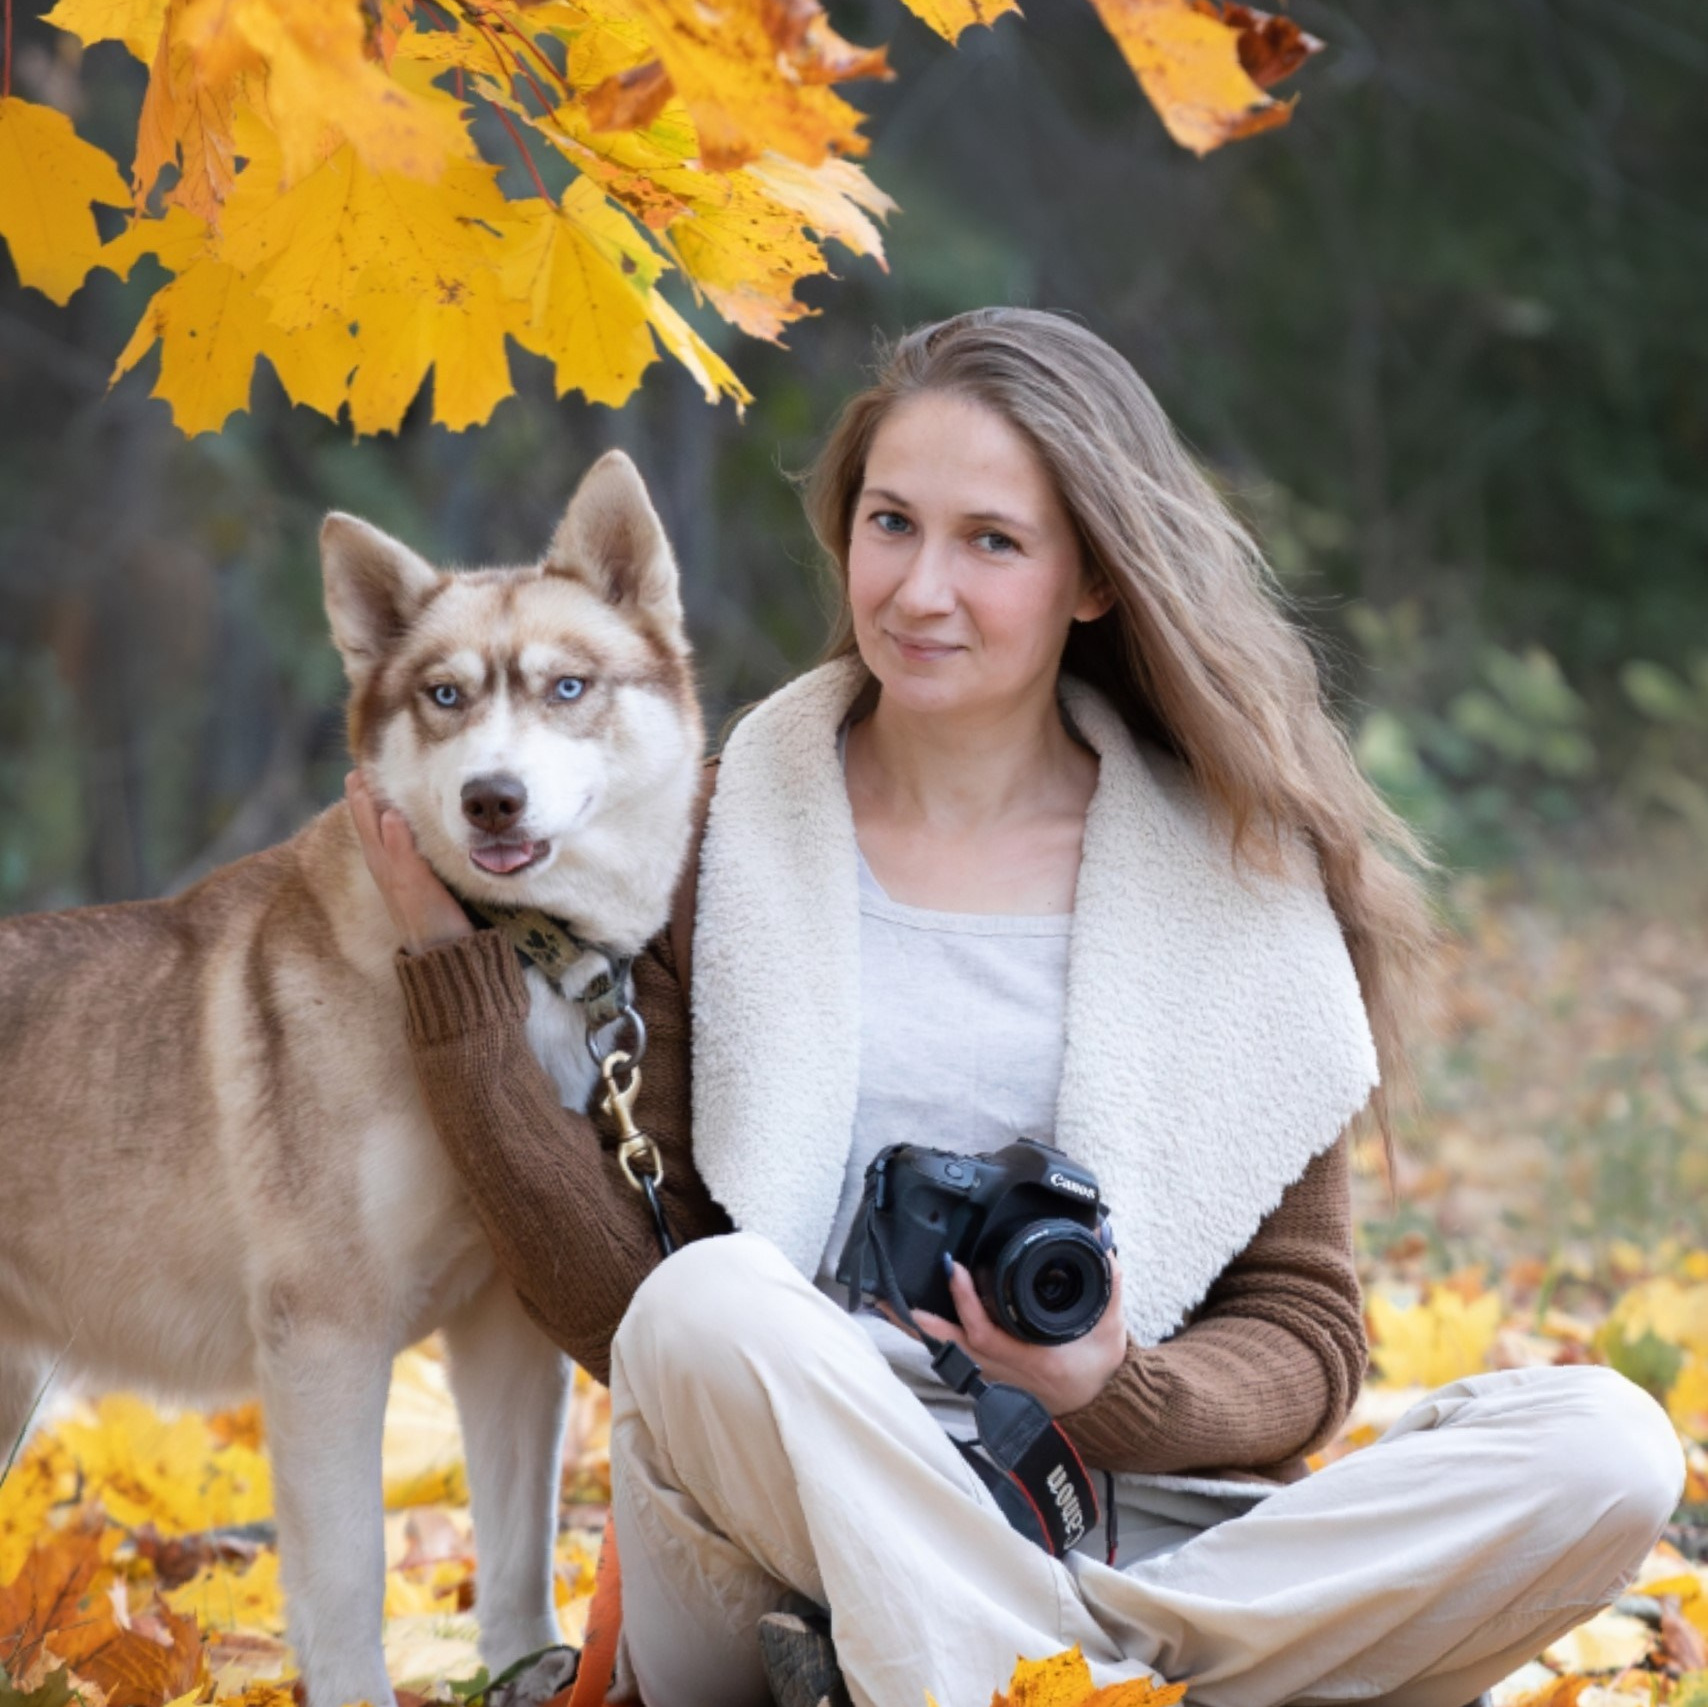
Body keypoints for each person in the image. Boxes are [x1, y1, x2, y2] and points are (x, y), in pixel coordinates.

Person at [346, 308, 1684, 1707]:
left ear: (1092, 579)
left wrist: (1106, 1381)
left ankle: (1026, 1669)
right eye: (890, 524)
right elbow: (637, 1311)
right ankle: (1122, 1677)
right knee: (710, 1301)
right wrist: (458, 983)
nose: (922, 589)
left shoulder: (1233, 877)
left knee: (1606, 1445)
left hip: (1130, 1513)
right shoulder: (719, 835)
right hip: (784, 1527)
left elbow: (1308, 1340)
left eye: (991, 540)